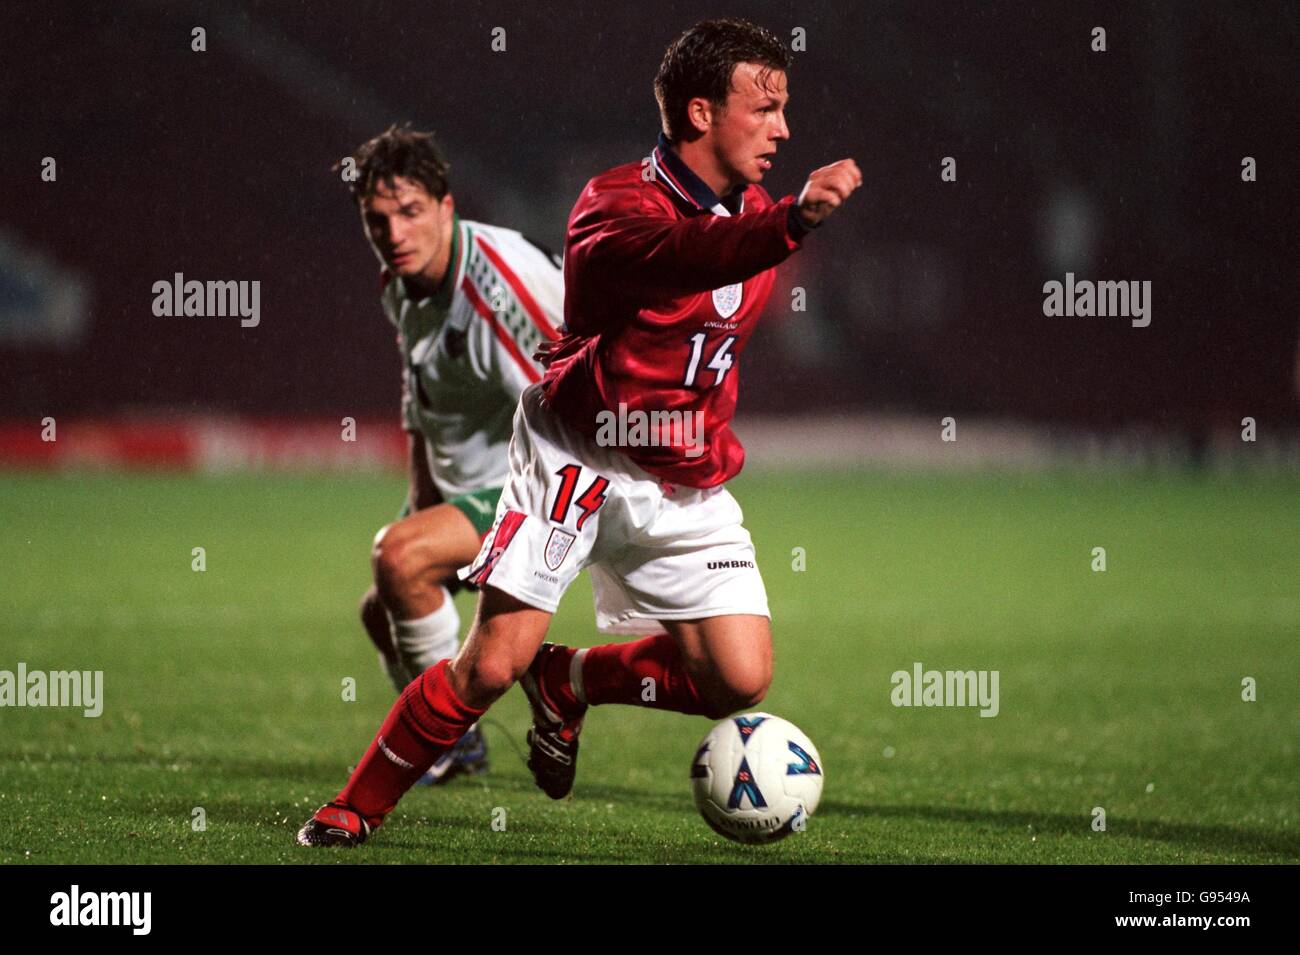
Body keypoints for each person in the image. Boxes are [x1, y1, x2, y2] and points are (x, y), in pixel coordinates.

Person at [299, 19, 859, 846]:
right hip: (576, 457)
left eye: (785, 109)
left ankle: (567, 679)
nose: (783, 128)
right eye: (765, 107)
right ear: (700, 113)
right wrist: (791, 223)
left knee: (738, 677)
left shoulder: (752, 215)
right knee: (490, 664)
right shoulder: (614, 207)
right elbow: (682, 254)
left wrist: (777, 226)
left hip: (680, 475)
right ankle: (354, 805)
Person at [343, 124, 563, 784]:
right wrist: (425, 503)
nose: (394, 232)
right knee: (382, 609)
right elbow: (422, 398)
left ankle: (453, 738)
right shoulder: (400, 279)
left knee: (400, 556)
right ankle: (532, 684)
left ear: (446, 206)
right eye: (377, 219)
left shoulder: (500, 288)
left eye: (409, 212)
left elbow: (572, 410)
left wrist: (521, 551)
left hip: (537, 478)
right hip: (476, 478)